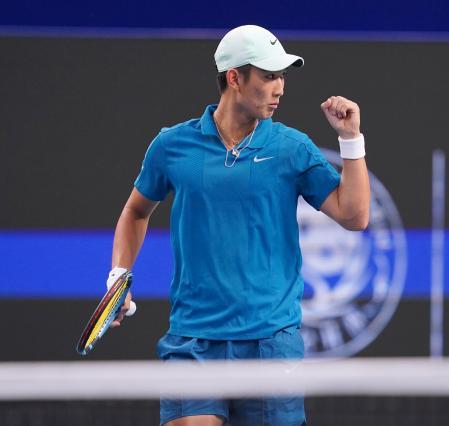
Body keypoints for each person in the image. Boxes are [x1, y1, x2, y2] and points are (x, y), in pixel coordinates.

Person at [106, 24, 370, 425]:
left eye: (282, 76)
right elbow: (135, 211)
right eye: (269, 76)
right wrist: (119, 274)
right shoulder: (172, 146)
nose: (280, 88)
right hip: (193, 340)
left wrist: (351, 139)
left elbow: (354, 215)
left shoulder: (291, 148)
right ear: (234, 78)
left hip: (270, 343)